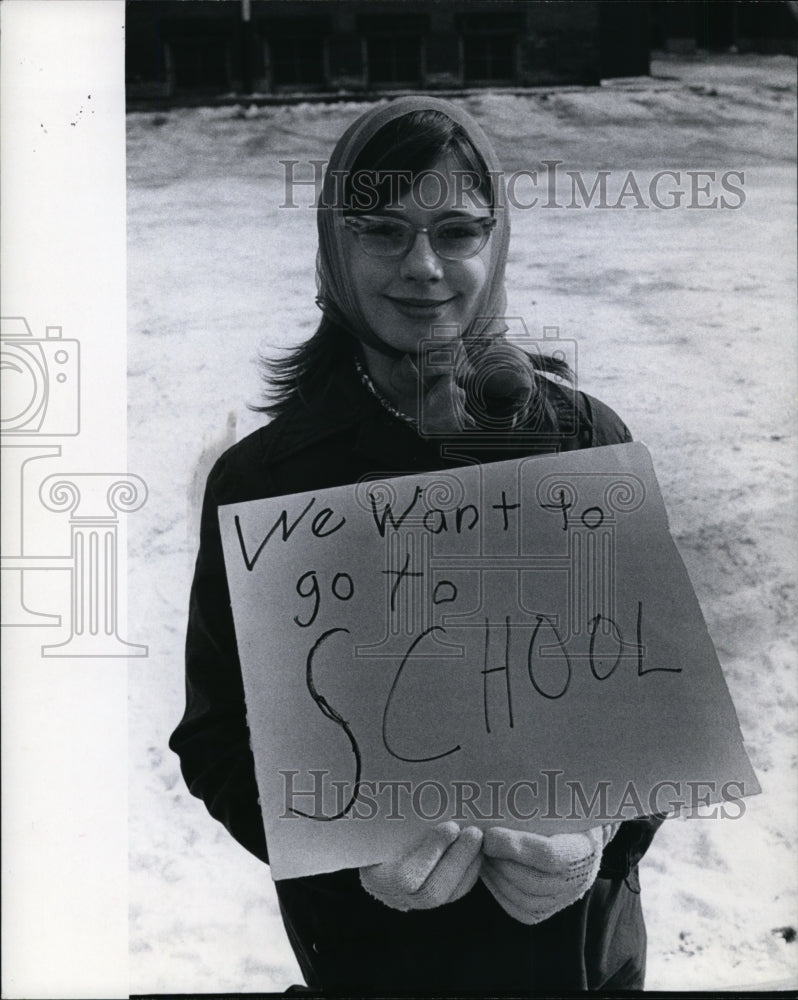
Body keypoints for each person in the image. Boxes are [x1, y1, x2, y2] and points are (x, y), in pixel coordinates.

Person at [170, 96, 664, 993]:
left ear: (497, 242)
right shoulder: (268, 482)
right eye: (383, 230)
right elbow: (218, 741)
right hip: (374, 958)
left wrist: (599, 843)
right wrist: (341, 855)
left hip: (577, 959)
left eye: (457, 230)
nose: (423, 266)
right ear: (332, 248)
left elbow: (661, 711)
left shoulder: (581, 442)